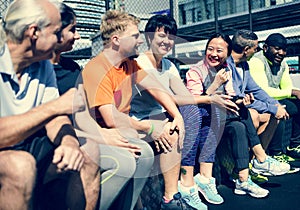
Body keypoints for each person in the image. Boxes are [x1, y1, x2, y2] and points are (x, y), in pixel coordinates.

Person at [82, 10, 188, 210]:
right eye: (135, 36)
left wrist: (177, 116)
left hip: (124, 130)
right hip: (100, 135)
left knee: (165, 136)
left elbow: (158, 89)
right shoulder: (97, 68)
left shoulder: (129, 65)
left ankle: (168, 199)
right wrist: (148, 128)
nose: (140, 41)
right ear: (116, 40)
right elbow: (110, 118)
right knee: (137, 156)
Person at [0, 0, 100, 209]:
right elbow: (54, 109)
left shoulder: (42, 64)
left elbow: (56, 119)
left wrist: (69, 142)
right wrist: (56, 107)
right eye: (56, 32)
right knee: (20, 166)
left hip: (27, 142)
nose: (59, 39)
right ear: (34, 32)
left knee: (88, 151)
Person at [185, 33, 270, 199]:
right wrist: (215, 84)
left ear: (227, 52)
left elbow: (230, 97)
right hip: (203, 116)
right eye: (210, 49)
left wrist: (242, 101)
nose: (214, 54)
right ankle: (261, 158)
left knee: (238, 125)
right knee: (240, 117)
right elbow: (193, 102)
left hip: (222, 117)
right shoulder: (195, 71)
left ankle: (243, 180)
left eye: (219, 50)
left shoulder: (226, 69)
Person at [227, 29, 290, 177]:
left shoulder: (244, 65)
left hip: (243, 107)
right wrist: (272, 108)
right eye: (255, 48)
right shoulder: (227, 66)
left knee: (273, 116)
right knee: (254, 116)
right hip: (232, 110)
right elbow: (238, 100)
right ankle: (250, 163)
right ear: (246, 50)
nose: (257, 51)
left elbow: (256, 90)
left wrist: (275, 105)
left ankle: (257, 163)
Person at [248, 33, 300, 159]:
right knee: (279, 108)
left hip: (272, 99)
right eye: (277, 48)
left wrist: (294, 92)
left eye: (284, 49)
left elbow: (287, 87)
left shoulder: (283, 63)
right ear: (265, 48)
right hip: (256, 101)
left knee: (297, 104)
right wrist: (292, 92)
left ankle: (294, 146)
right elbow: (262, 91)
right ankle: (276, 153)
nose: (281, 53)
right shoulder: (257, 61)